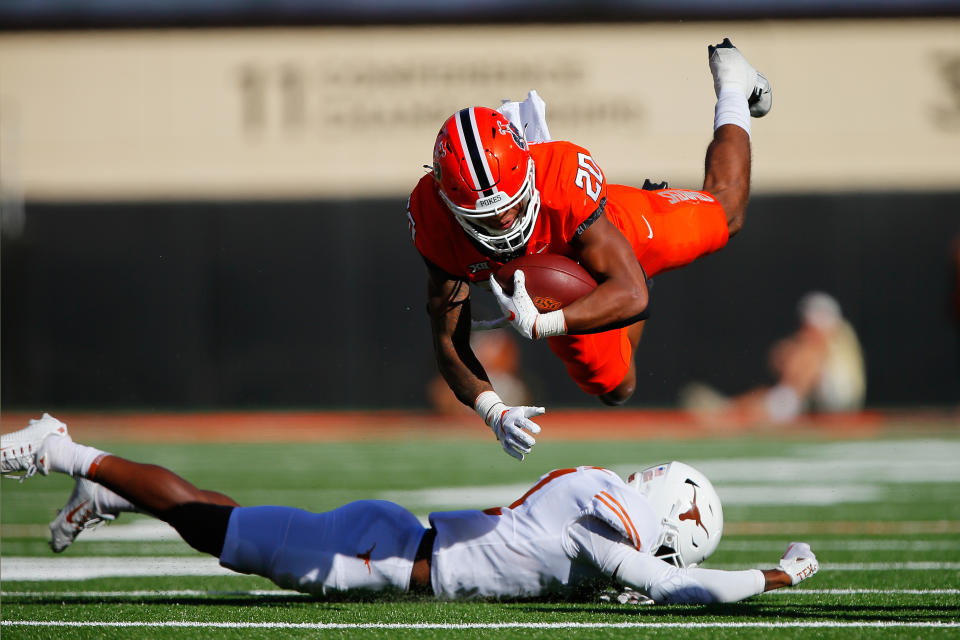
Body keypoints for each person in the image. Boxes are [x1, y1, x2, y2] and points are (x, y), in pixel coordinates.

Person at [2, 414, 818, 603]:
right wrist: (776, 576)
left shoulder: (605, 496)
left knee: (233, 526)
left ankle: (105, 490)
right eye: (681, 543)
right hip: (383, 559)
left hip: (396, 545)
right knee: (219, 530)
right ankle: (65, 449)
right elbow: (679, 590)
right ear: (670, 516)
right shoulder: (608, 518)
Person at [406, 39, 772, 459]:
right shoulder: (434, 220)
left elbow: (634, 295)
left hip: (606, 230)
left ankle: (732, 85)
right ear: (448, 201)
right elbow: (449, 342)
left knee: (727, 214)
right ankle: (616, 281)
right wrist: (495, 412)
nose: (504, 222)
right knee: (617, 388)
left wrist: (546, 325)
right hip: (559, 285)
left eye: (511, 206)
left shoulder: (560, 182)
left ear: (528, 173)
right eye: (487, 216)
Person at [682, 291, 866, 425]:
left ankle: (736, 413)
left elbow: (788, 365)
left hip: (835, 401)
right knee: (770, 391)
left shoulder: (819, 343)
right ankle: (731, 409)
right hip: (836, 401)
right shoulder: (838, 336)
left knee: (794, 376)